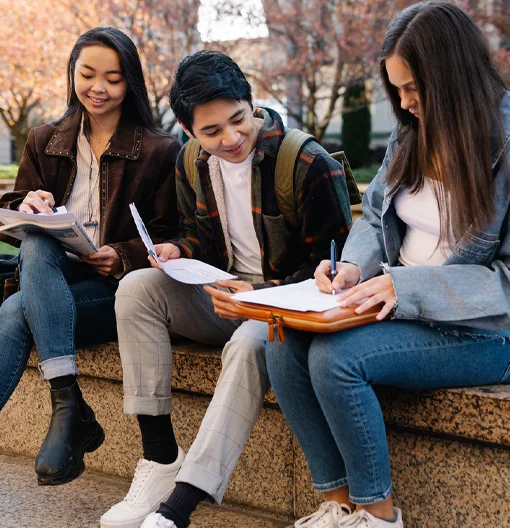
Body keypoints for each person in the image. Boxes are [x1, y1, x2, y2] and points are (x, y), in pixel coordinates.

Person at [265, 0, 510, 528]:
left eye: (413, 89)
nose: (405, 105)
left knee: (335, 360)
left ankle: (377, 514)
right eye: (397, 90)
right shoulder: (413, 134)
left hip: (489, 332)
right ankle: (337, 505)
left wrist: (402, 288)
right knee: (281, 342)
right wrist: (354, 269)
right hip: (396, 304)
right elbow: (376, 217)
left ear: (452, 78)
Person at [100, 50, 353, 528]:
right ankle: (158, 458)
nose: (231, 139)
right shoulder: (193, 161)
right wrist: (179, 250)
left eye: (238, 121)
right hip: (224, 295)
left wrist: (258, 298)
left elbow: (334, 271)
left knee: (246, 343)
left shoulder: (307, 163)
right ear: (190, 131)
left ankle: (180, 505)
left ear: (250, 102)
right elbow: (202, 236)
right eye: (211, 132)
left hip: (284, 312)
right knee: (136, 287)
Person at [0, 27, 180, 486]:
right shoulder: (45, 139)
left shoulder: (159, 150)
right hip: (53, 278)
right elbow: (9, 217)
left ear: (130, 82)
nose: (98, 87)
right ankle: (68, 403)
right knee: (36, 238)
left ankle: (71, 412)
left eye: (113, 78)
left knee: (14, 311)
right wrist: (24, 206)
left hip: (118, 295)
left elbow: (175, 235)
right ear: (72, 74)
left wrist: (124, 256)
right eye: (87, 74)